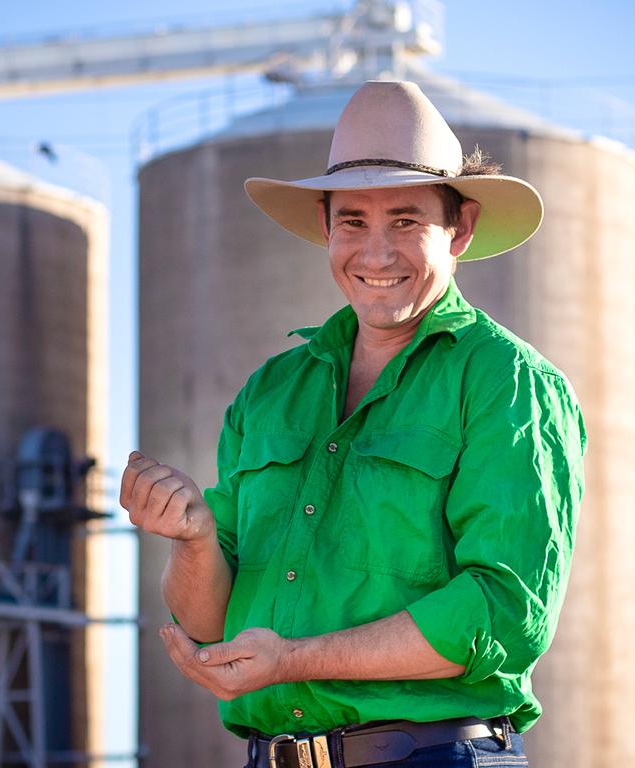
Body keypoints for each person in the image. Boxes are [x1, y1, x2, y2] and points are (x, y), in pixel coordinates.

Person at [121, 80, 587, 768]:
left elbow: (502, 612)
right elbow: (214, 623)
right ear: (324, 226)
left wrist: (294, 661)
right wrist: (191, 537)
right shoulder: (270, 392)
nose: (376, 255)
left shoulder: (505, 382)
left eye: (406, 221)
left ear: (459, 228)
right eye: (354, 223)